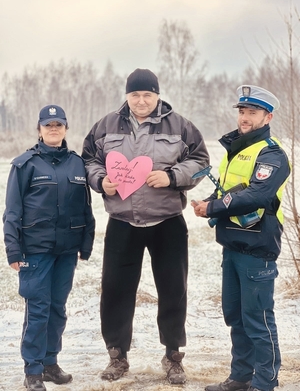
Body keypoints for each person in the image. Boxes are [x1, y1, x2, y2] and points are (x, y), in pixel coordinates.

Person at [82, 68, 209, 384]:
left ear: (157, 95)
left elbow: (201, 161)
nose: (141, 101)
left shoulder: (180, 126)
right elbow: (88, 160)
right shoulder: (106, 126)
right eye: (135, 94)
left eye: (147, 94)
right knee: (114, 291)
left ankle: (173, 356)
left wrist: (173, 176)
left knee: (173, 290)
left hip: (167, 222)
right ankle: (117, 356)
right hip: (123, 222)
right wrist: (101, 180)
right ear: (127, 96)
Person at [192, 85, 290, 391]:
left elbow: (256, 196)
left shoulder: (272, 154)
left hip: (257, 249)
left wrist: (214, 208)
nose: (245, 118)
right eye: (242, 111)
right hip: (232, 247)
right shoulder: (235, 151)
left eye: (253, 112)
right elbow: (228, 191)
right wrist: (206, 203)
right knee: (236, 317)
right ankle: (240, 377)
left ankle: (265, 382)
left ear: (267, 116)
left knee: (258, 320)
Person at [3, 105, 95, 391]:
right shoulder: (25, 165)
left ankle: (50, 363)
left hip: (67, 251)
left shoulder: (78, 164)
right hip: (36, 251)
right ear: (39, 129)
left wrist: (86, 244)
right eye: (48, 125)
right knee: (38, 308)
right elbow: (12, 212)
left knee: (58, 308)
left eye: (58, 125)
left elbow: (86, 207)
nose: (53, 129)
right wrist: (13, 250)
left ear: (66, 128)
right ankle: (32, 369)